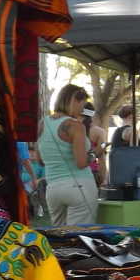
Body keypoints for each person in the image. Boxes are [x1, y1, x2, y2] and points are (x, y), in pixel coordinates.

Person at [39, 84, 99, 225]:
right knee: (80, 235)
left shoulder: (43, 123)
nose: (82, 109)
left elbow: (40, 160)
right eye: (82, 104)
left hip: (53, 188)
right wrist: (95, 153)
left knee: (59, 235)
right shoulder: (76, 126)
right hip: (79, 186)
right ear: (75, 101)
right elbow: (81, 163)